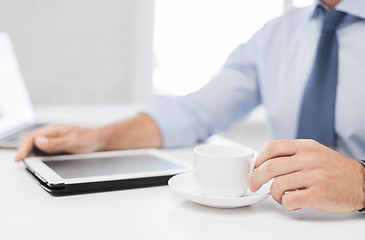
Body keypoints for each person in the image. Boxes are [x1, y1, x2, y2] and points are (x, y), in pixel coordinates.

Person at [15, 0, 365, 213]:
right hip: (288, 224)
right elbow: (197, 111)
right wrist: (100, 137)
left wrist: (360, 183)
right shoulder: (276, 34)